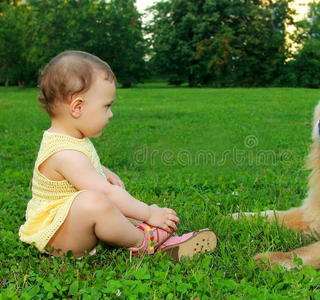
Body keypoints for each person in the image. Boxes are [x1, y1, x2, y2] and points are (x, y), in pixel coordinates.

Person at [19, 50, 217, 259]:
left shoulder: (67, 139)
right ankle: (143, 241)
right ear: (77, 107)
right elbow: (105, 191)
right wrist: (149, 212)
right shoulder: (66, 153)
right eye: (106, 107)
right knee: (96, 200)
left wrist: (102, 170)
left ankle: (162, 239)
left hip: (68, 227)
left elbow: (78, 167)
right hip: (58, 240)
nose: (111, 114)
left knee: (105, 200)